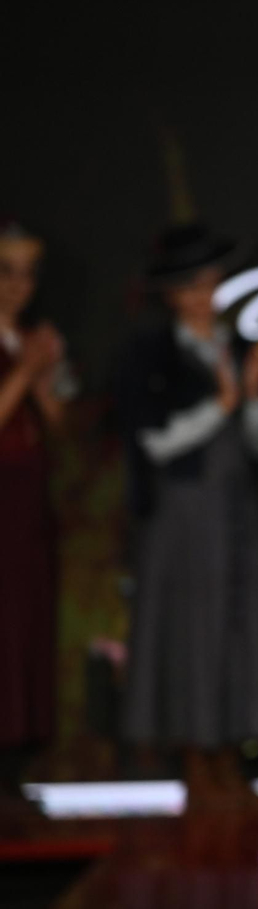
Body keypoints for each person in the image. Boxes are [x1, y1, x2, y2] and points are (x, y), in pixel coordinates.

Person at [118, 223, 258, 808]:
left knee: (240, 625)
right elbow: (154, 442)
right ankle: (194, 754)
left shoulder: (238, 346)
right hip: (183, 513)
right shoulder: (151, 352)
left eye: (208, 283)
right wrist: (220, 406)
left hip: (238, 509)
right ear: (170, 294)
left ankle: (231, 751)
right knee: (190, 630)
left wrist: (254, 399)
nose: (202, 296)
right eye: (189, 286)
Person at [0, 220, 66, 814]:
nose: (19, 286)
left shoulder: (29, 338)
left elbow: (54, 422)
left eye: (28, 274)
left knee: (26, 629)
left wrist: (43, 373)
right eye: (7, 271)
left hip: (27, 503)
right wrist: (24, 370)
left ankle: (16, 765)